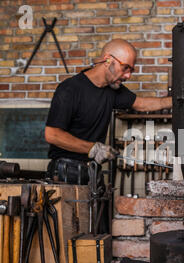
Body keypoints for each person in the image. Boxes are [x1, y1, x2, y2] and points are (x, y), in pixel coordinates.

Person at [44, 39, 172, 184]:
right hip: (65, 171)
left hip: (91, 170)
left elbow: (141, 104)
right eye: (125, 68)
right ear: (108, 60)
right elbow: (52, 134)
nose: (128, 76)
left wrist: (178, 100)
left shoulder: (113, 90)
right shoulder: (70, 89)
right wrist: (92, 148)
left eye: (131, 70)